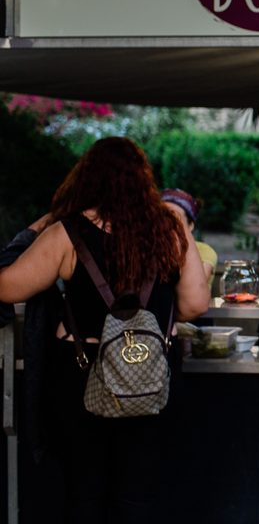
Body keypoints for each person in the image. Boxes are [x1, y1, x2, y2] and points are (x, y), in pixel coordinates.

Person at [0, 137, 210, 522]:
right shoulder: (171, 228)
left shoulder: (67, 233)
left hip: (79, 375)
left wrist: (34, 230)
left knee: (84, 493)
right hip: (150, 375)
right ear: (143, 179)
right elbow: (194, 305)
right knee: (137, 496)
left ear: (86, 179)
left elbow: (7, 286)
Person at [162, 188, 218, 287]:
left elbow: (195, 287)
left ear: (191, 225)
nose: (167, 224)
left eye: (175, 219)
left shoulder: (204, 251)